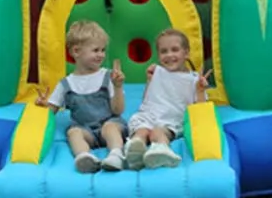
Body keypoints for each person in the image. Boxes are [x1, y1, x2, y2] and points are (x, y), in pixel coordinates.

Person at [35, 20, 127, 173]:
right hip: (86, 130)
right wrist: (43, 104)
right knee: (73, 132)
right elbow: (52, 109)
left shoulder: (108, 76)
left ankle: (116, 154)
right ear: (76, 51)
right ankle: (84, 157)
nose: (101, 55)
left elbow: (118, 110)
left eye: (103, 50)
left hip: (109, 124)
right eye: (96, 50)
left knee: (110, 127)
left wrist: (117, 87)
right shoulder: (65, 84)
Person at [124, 28, 212, 170]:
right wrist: (149, 81)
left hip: (170, 121)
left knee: (158, 132)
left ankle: (161, 149)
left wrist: (200, 90)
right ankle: (135, 150)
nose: (169, 55)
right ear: (158, 55)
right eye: (164, 51)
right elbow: (148, 99)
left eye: (175, 50)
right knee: (141, 131)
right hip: (148, 115)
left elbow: (200, 109)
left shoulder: (193, 79)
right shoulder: (156, 71)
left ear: (186, 53)